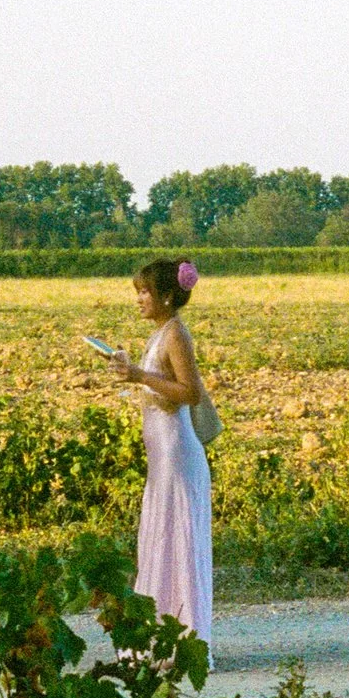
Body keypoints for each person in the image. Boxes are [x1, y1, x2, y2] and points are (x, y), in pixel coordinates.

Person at [107, 258, 212, 649]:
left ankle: (184, 639)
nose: (138, 299)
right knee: (162, 538)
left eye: (145, 291)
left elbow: (190, 393)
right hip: (162, 454)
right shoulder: (161, 333)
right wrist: (133, 370)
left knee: (176, 539)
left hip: (176, 453)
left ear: (167, 296)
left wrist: (139, 375)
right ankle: (163, 634)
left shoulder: (175, 335)